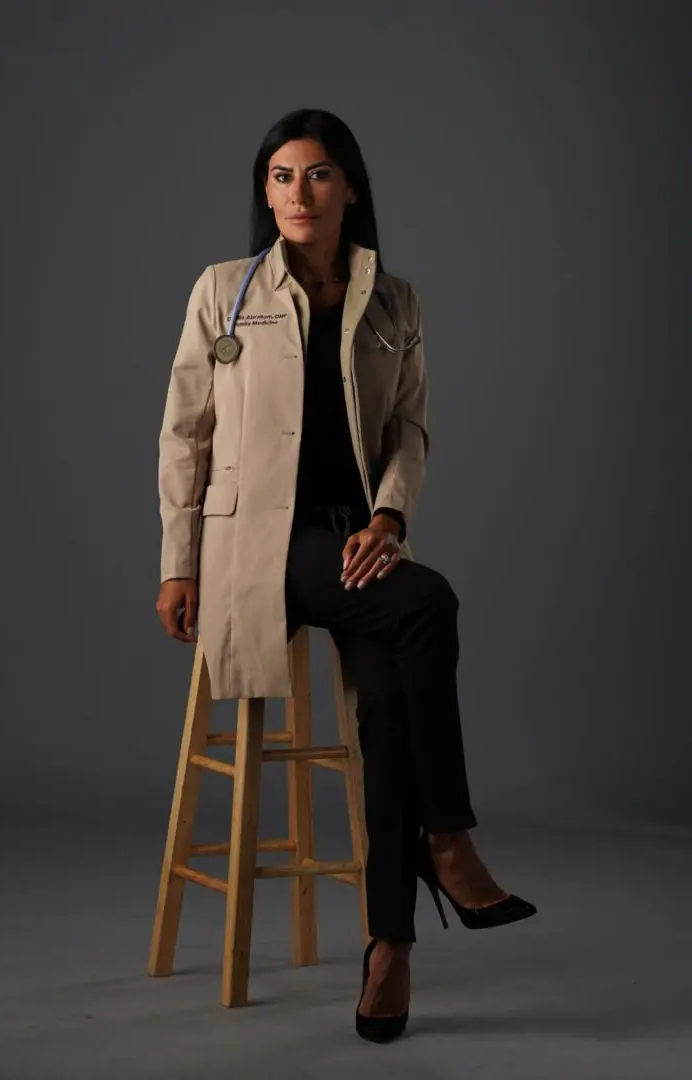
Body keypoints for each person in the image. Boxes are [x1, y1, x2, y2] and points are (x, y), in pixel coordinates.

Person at [155, 107, 536, 1043]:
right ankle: (447, 838)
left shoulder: (394, 300)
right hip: (260, 549)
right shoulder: (222, 291)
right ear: (266, 193)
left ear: (351, 189)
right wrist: (177, 564)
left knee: (387, 707)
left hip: (354, 546)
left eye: (317, 175)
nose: (297, 193)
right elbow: (184, 433)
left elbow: (409, 426)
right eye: (281, 177)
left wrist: (390, 515)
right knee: (432, 602)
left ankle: (389, 950)